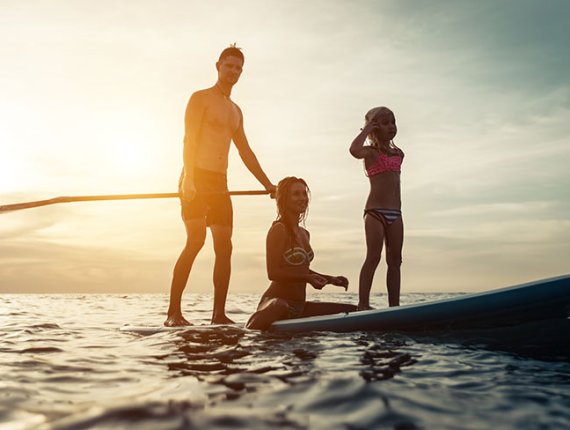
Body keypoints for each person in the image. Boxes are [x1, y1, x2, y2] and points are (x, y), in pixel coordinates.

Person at [165, 45, 275, 326]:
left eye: (238, 68)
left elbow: (245, 152)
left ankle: (219, 315)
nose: (233, 72)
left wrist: (268, 184)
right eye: (229, 66)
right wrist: (189, 178)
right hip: (195, 176)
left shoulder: (236, 111)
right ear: (218, 66)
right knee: (196, 240)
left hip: (219, 182)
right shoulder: (200, 98)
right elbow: (189, 139)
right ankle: (173, 314)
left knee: (224, 247)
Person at [246, 177, 356, 330]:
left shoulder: (305, 234)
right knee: (280, 306)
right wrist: (307, 278)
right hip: (275, 303)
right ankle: (248, 334)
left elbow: (301, 270)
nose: (302, 198)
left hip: (299, 307)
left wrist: (330, 279)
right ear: (284, 199)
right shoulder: (279, 229)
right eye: (296, 194)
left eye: (304, 194)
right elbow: (273, 273)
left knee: (352, 310)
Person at [349, 106, 404, 309]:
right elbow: (354, 150)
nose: (391, 126)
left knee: (395, 261)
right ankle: (363, 304)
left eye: (393, 122)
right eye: (385, 123)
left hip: (395, 214)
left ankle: (394, 306)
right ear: (374, 127)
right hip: (375, 213)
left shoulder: (399, 154)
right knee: (373, 257)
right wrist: (365, 130)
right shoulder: (370, 152)